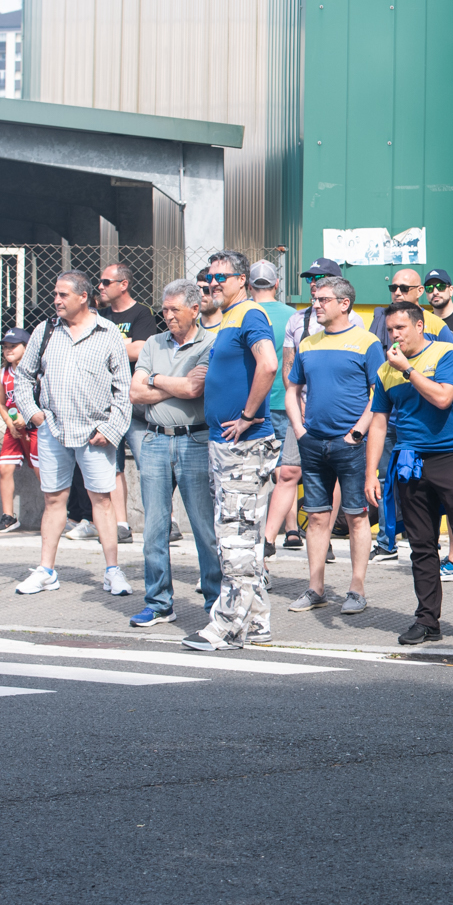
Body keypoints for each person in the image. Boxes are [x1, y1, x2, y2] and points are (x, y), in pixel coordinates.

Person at [366, 301, 453, 647]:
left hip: (452, 457)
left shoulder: (445, 355)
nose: (393, 335)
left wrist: (408, 370)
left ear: (419, 326)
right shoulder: (386, 371)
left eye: (400, 328)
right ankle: (427, 620)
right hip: (410, 461)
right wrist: (370, 473)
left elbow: (442, 398)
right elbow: (378, 423)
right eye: (389, 330)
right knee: (421, 546)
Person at [173, 251, 281, 649]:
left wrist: (248, 416)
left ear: (242, 280)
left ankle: (228, 626)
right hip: (230, 448)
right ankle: (257, 621)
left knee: (234, 539)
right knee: (243, 537)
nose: (213, 283)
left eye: (222, 277)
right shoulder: (230, 318)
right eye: (209, 277)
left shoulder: (250, 314)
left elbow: (268, 364)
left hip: (243, 447)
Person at [11, 270, 134, 600]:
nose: (56, 300)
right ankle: (46, 570)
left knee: (102, 501)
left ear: (83, 297)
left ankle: (112, 571)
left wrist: (110, 428)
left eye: (63, 294)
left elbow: (123, 389)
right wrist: (33, 414)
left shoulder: (108, 333)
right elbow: (23, 377)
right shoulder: (46, 330)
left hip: (96, 433)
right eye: (55, 294)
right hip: (53, 430)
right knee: (54, 500)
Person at [285, 275, 384, 615]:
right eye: (315, 299)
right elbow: (292, 389)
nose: (316, 304)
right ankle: (316, 588)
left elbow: (379, 394)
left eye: (323, 299)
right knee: (316, 517)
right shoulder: (308, 344)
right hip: (313, 442)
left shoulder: (367, 343)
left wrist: (357, 432)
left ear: (344, 304)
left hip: (350, 445)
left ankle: (356, 589)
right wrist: (300, 430)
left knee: (356, 517)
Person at [128, 278, 217, 629]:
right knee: (154, 528)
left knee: (203, 527)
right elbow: (135, 393)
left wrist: (156, 379)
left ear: (195, 309)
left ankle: (215, 601)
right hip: (154, 440)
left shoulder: (210, 343)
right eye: (164, 310)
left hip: (195, 440)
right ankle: (159, 602)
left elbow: (196, 389)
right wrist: (175, 384)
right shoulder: (153, 342)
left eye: (174, 310)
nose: (168, 316)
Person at [241, 261, 305, 556]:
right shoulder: (293, 315)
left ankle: (257, 530)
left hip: (253, 402)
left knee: (256, 470)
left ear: (249, 285)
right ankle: (291, 529)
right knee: (287, 469)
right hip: (287, 400)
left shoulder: (245, 314)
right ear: (277, 284)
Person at [94, 262, 155, 551]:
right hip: (106, 404)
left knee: (149, 464)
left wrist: (106, 349)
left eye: (106, 282)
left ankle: (162, 521)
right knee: (112, 465)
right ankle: (121, 524)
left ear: (123, 284)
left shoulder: (142, 313)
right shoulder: (99, 316)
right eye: (100, 282)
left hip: (135, 401)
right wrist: (123, 346)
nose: (100, 287)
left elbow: (142, 348)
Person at [0, 329, 35, 535]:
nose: (8, 350)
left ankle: (57, 513)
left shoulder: (36, 371)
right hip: (13, 428)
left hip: (34, 426)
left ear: (26, 347)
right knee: (5, 469)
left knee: (42, 470)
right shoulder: (2, 374)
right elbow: (2, 404)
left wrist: (27, 417)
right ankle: (8, 516)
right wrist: (10, 423)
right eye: (6, 347)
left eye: (13, 346)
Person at [424, 268, 453, 337]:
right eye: (429, 288)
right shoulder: (424, 322)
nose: (435, 292)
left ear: (451, 290)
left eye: (441, 286)